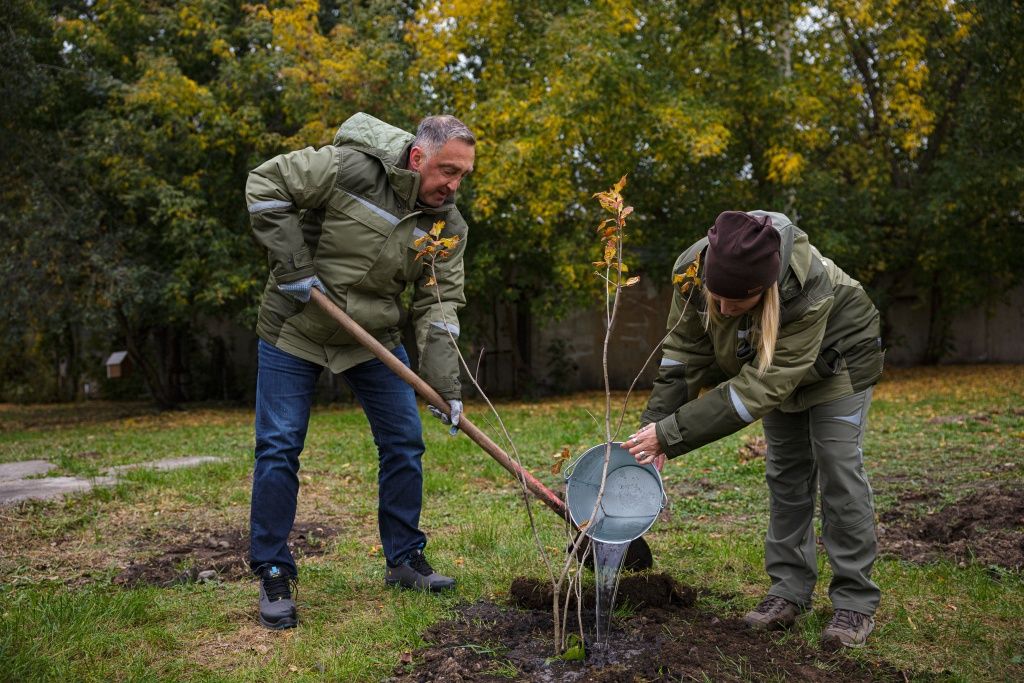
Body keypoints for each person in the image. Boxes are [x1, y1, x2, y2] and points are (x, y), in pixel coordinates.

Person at [244, 112, 475, 630]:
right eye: (447, 172)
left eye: (463, 175)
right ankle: (273, 568)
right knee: (280, 444)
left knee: (404, 442)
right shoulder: (349, 169)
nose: (454, 185)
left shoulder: (445, 226)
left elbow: (439, 307)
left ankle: (404, 560)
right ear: (418, 158)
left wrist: (445, 387)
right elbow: (265, 182)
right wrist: (293, 267)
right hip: (297, 327)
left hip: (374, 341)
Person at [626, 210, 885, 649]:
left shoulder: (808, 289)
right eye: (717, 298)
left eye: (737, 303)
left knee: (838, 468)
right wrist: (652, 434)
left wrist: (674, 433)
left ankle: (855, 602)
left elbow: (761, 389)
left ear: (765, 292)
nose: (723, 311)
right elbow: (683, 355)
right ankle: (788, 591)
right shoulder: (691, 272)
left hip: (839, 363)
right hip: (771, 365)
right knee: (786, 473)